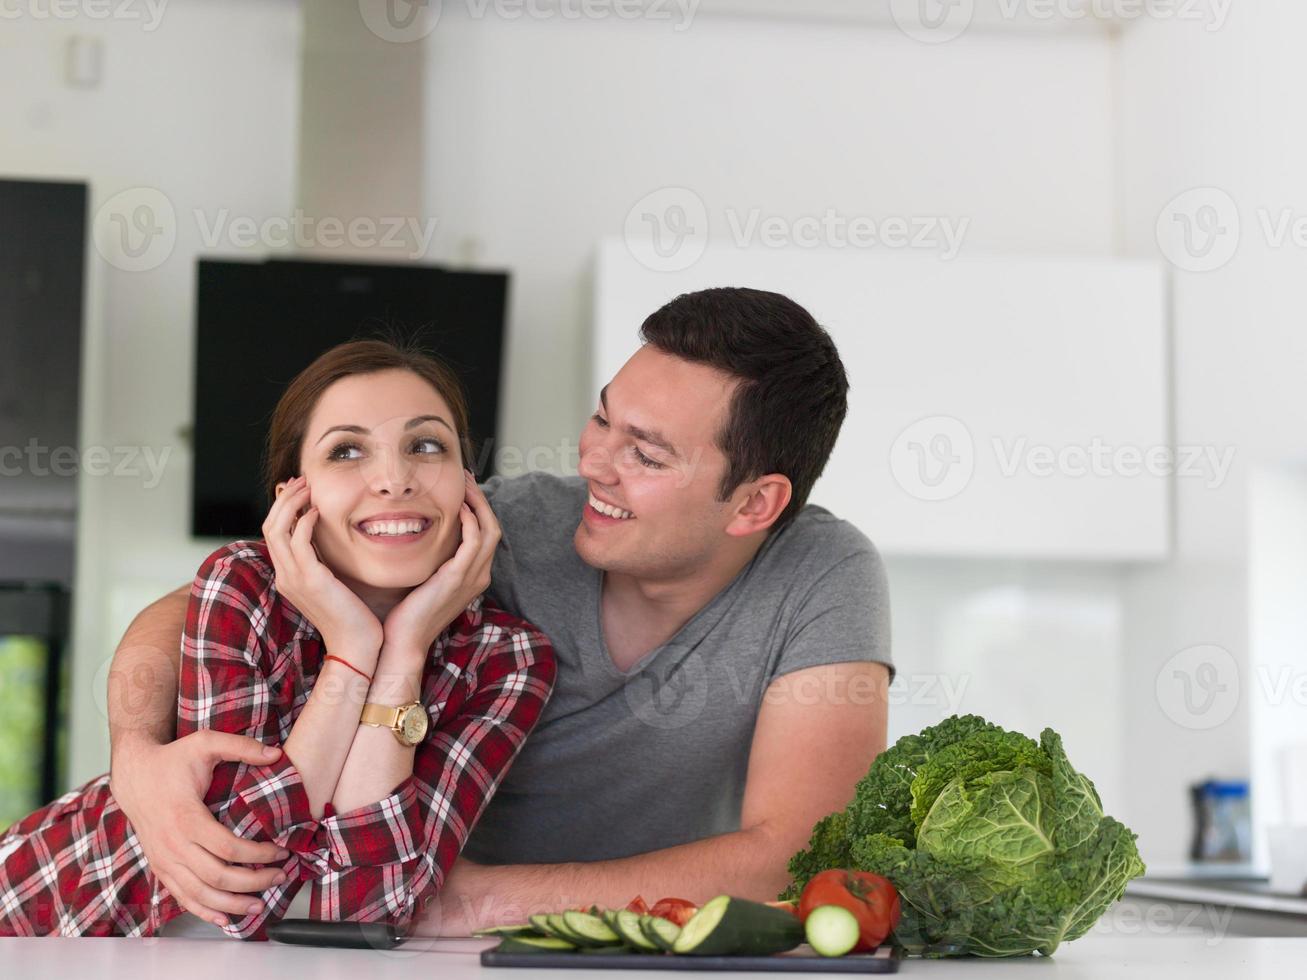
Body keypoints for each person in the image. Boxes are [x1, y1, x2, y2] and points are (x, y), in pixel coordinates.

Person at [106, 287, 893, 935]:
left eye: (644, 456)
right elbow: (207, 598)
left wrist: (478, 899)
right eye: (601, 419)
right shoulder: (501, 528)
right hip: (407, 945)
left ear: (755, 503)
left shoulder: (824, 574)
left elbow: (795, 852)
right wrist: (135, 754)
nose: (593, 464)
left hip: (613, 945)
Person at [0, 340, 556, 937]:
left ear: (468, 485)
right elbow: (237, 866)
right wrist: (352, 646)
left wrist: (403, 649)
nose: (395, 480)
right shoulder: (240, 586)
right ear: (295, 493)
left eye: (426, 446)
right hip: (46, 912)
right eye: (347, 451)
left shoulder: (510, 660)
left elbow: (368, 908)